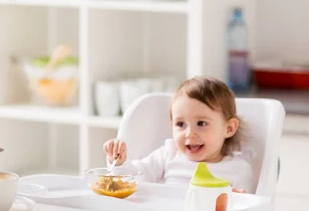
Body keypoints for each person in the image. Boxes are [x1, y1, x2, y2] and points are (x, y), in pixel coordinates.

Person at [103, 76, 254, 193]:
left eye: (201, 123)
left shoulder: (239, 170)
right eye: (180, 124)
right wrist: (119, 162)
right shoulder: (170, 153)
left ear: (228, 128)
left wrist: (238, 202)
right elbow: (134, 177)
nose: (189, 134)